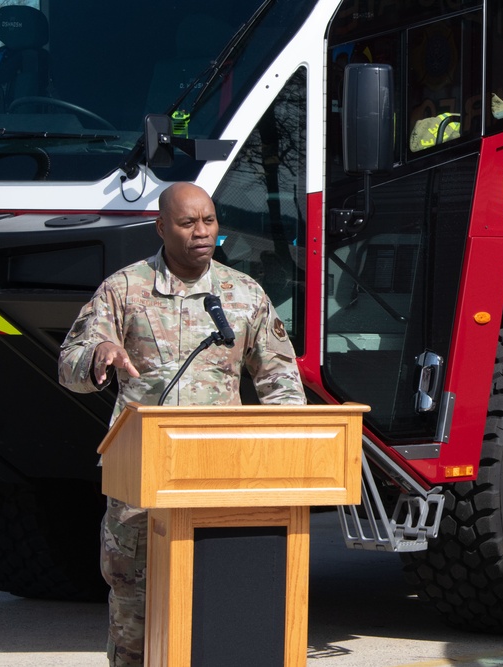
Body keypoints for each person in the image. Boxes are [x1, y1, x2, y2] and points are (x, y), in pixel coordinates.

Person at [58, 182, 305, 667]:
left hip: (220, 479)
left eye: (208, 221)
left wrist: (286, 451)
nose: (201, 233)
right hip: (142, 481)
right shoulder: (125, 288)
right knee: (136, 611)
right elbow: (69, 367)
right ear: (161, 227)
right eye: (188, 223)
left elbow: (280, 380)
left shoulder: (241, 293)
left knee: (220, 607)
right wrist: (98, 356)